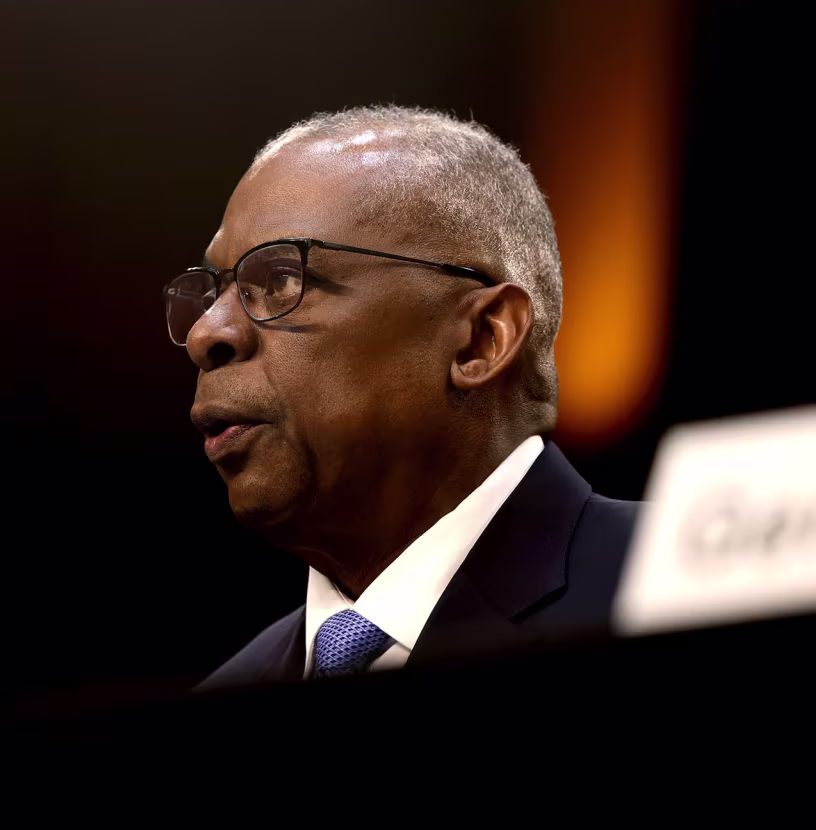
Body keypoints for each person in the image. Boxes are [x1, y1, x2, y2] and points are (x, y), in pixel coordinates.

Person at [162, 105, 641, 689]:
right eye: (214, 292)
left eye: (283, 279)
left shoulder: (677, 588)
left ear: (480, 340)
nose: (207, 333)